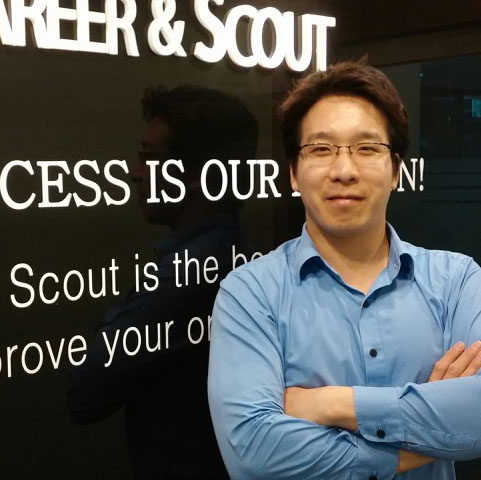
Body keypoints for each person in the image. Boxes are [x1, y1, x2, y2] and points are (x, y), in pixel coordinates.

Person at [208, 61, 481, 480]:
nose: (344, 171)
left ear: (396, 171)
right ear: (293, 174)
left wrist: (331, 404)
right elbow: (253, 451)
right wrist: (427, 434)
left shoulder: (456, 281)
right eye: (321, 149)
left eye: (367, 148)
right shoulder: (250, 293)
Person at [69, 84, 258, 480]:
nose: (135, 174)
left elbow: (84, 393)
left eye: (150, 158)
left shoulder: (185, 275)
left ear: (200, 174)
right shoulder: (233, 253)